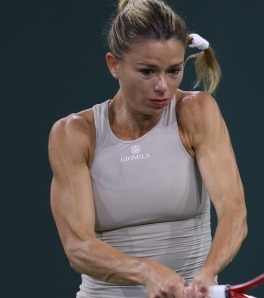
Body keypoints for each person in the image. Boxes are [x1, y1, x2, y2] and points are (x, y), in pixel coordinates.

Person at [48, 0, 247, 297]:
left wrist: (207, 272)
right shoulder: (74, 134)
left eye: (173, 71)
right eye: (147, 72)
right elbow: (78, 247)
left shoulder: (196, 112)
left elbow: (234, 212)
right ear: (114, 64)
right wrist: (146, 272)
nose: (163, 86)